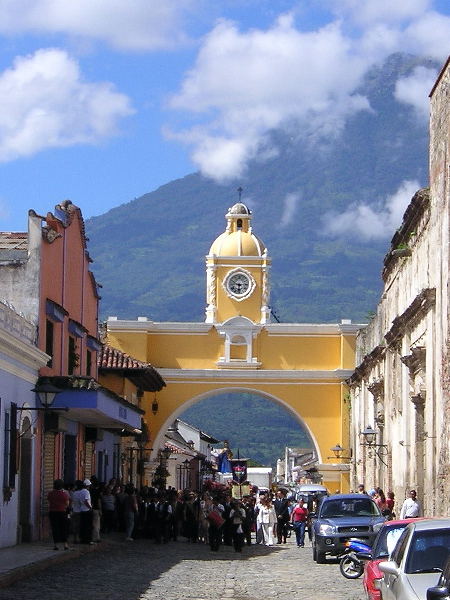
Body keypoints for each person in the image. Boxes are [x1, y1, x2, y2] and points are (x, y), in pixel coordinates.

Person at [47, 479, 70, 551]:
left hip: (52, 512)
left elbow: (49, 500)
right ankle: (65, 544)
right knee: (63, 528)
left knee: (55, 528)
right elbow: (67, 504)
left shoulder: (50, 493)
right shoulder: (63, 494)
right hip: (62, 512)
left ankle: (56, 544)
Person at [72, 479, 93, 544]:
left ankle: (77, 538)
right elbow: (86, 501)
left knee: (79, 526)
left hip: (78, 510)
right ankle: (86, 539)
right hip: (85, 510)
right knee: (86, 526)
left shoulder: (76, 493)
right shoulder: (85, 492)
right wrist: (90, 507)